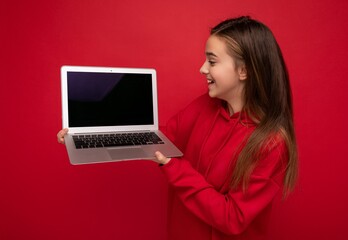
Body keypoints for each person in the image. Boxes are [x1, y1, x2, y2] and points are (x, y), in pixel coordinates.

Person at [57, 16, 298, 240]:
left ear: (244, 71)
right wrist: (89, 131)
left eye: (212, 61)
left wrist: (173, 166)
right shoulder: (206, 105)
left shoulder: (272, 143)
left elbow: (232, 218)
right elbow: (165, 136)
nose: (203, 68)